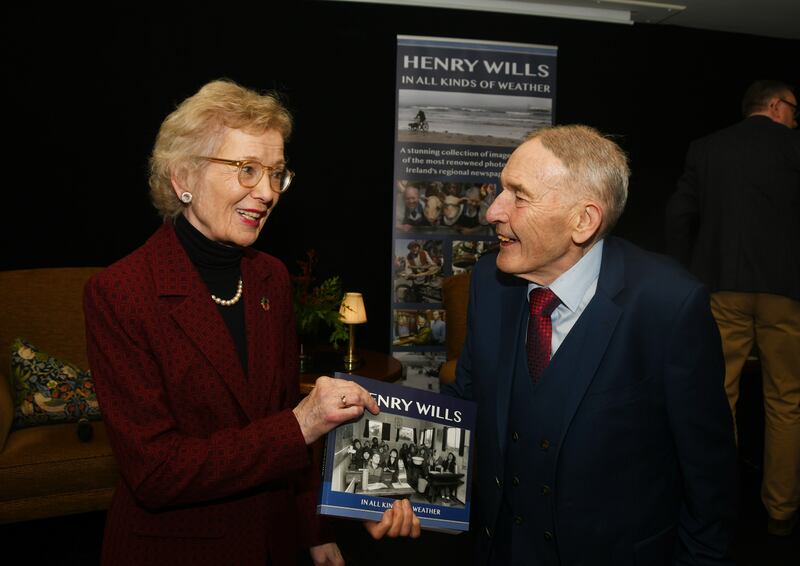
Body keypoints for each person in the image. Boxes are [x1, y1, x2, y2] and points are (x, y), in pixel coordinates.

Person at [83, 79, 419, 566]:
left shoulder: (269, 278)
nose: (266, 192)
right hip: (178, 547)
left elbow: (283, 411)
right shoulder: (121, 293)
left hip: (273, 539)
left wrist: (315, 529)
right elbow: (156, 473)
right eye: (246, 170)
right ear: (183, 177)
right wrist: (299, 425)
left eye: (276, 174)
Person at [443, 125, 737, 565]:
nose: (493, 211)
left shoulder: (668, 305)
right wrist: (407, 490)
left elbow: (709, 481)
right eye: (501, 191)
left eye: (518, 196)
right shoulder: (489, 284)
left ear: (583, 220)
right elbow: (465, 403)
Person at [666, 79, 800, 537]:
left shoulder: (707, 148)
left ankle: (715, 506)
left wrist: (689, 275)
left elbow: (678, 216)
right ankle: (781, 511)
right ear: (778, 105)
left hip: (721, 289)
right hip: (787, 293)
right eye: (794, 109)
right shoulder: (794, 146)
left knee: (718, 396)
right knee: (786, 401)